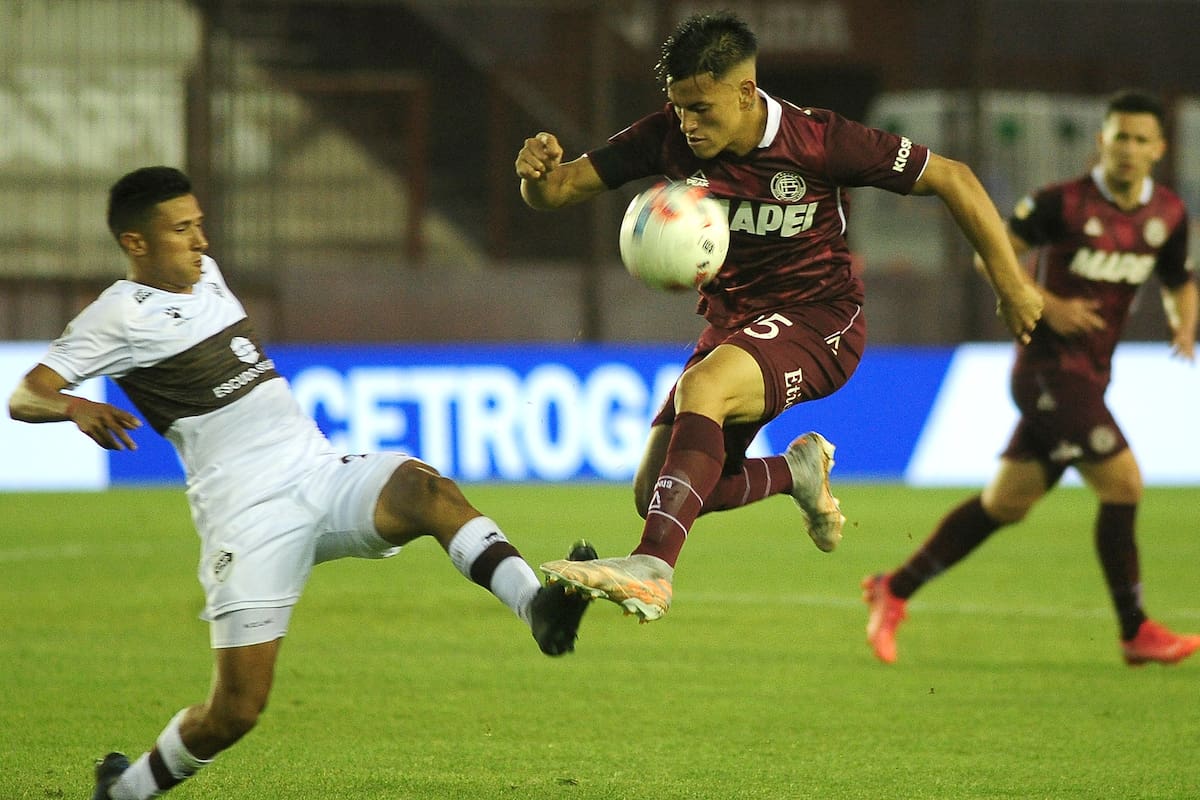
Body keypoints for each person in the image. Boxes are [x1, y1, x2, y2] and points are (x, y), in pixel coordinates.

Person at [7, 166, 595, 800]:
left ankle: (536, 607)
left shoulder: (204, 274)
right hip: (246, 517)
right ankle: (125, 793)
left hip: (316, 472)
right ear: (136, 244)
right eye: (181, 230)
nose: (202, 241)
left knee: (428, 491)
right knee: (235, 711)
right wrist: (73, 406)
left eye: (200, 224)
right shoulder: (117, 315)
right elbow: (24, 394)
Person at [516, 11, 1042, 622]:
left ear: (745, 92)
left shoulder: (820, 141)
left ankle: (652, 569)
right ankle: (795, 471)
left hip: (822, 320)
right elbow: (558, 190)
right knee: (654, 491)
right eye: (679, 107)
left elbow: (954, 177)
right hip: (734, 327)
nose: (688, 124)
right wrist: (533, 174)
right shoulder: (665, 135)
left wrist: (1013, 285)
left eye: (702, 108)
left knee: (703, 389)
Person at [862, 90, 1200, 666]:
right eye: (1120, 136)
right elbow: (988, 255)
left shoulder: (1167, 213)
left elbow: (1178, 278)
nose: (1129, 149)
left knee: (1005, 504)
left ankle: (892, 588)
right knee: (1123, 484)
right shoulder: (1060, 203)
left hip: (1091, 378)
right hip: (1046, 373)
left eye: (1142, 140)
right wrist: (1044, 302)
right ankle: (1134, 630)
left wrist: (1184, 325)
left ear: (1159, 149)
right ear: (1102, 140)